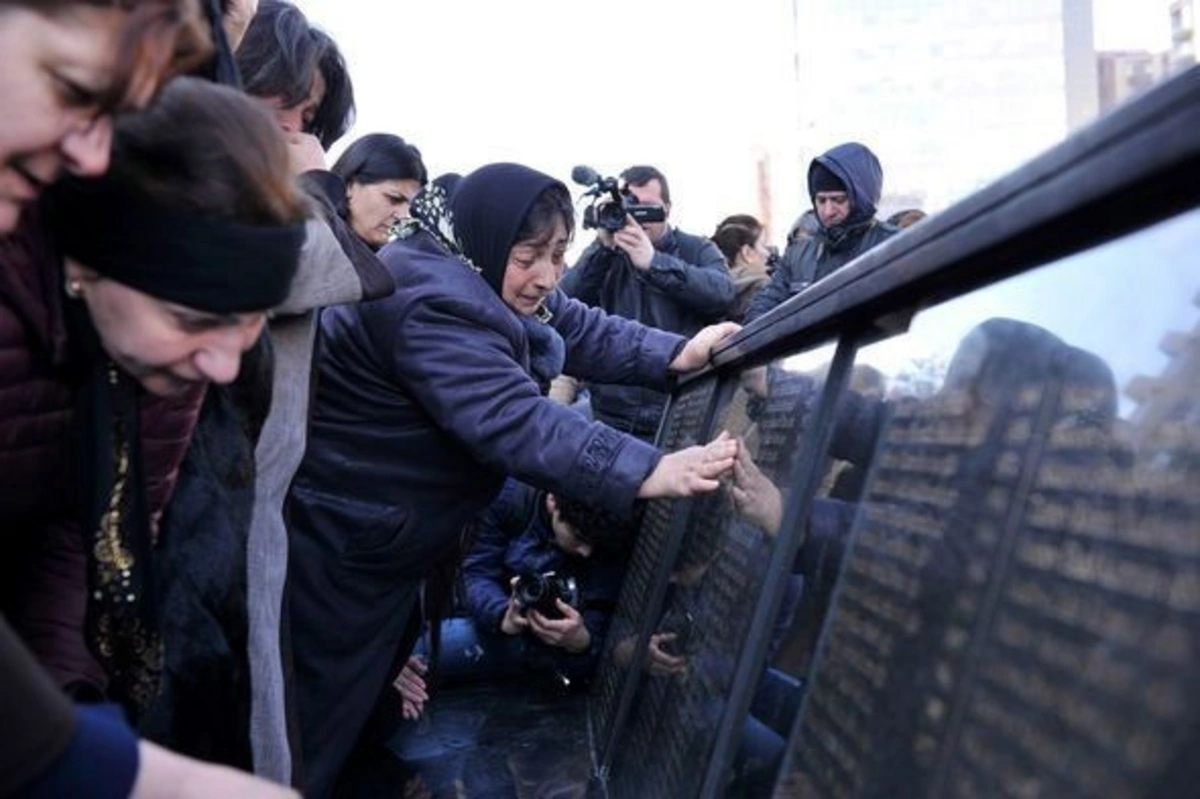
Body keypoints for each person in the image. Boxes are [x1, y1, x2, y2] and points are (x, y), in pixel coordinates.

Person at [285, 162, 740, 798]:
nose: (546, 275)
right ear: (492, 239)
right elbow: (511, 418)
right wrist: (650, 467)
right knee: (309, 736)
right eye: (530, 256)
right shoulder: (431, 300)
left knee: (356, 717)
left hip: (382, 545)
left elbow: (572, 323)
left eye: (558, 254)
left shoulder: (470, 270)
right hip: (338, 554)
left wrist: (674, 353)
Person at [0, 72, 306, 799]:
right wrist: (76, 755)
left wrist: (74, 702)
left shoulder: (168, 359)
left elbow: (85, 538)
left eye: (251, 318)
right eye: (193, 319)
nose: (224, 362)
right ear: (84, 266)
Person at [560, 164, 736, 440]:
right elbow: (562, 305)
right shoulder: (607, 255)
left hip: (682, 408)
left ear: (667, 207)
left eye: (648, 208)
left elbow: (722, 294)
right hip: (611, 415)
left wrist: (654, 263)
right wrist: (601, 250)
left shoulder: (696, 248)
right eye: (631, 206)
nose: (638, 218)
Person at [435, 478, 637, 689]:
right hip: (490, 617)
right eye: (579, 537)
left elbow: (600, 626)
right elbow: (476, 572)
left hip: (543, 649)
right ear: (552, 502)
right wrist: (503, 614)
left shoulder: (610, 539)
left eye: (595, 544)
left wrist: (581, 643)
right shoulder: (510, 501)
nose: (586, 552)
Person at [745, 142, 900, 322]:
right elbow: (766, 303)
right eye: (821, 200)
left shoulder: (892, 246)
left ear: (861, 199)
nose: (828, 211)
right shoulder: (800, 251)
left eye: (838, 200)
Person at [331, 133, 428, 250]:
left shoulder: (393, 263)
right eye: (394, 199)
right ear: (350, 186)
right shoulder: (308, 241)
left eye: (410, 207)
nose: (402, 216)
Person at [711, 215, 773, 323]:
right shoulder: (764, 288)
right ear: (747, 253)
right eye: (763, 245)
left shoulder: (710, 290)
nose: (768, 254)